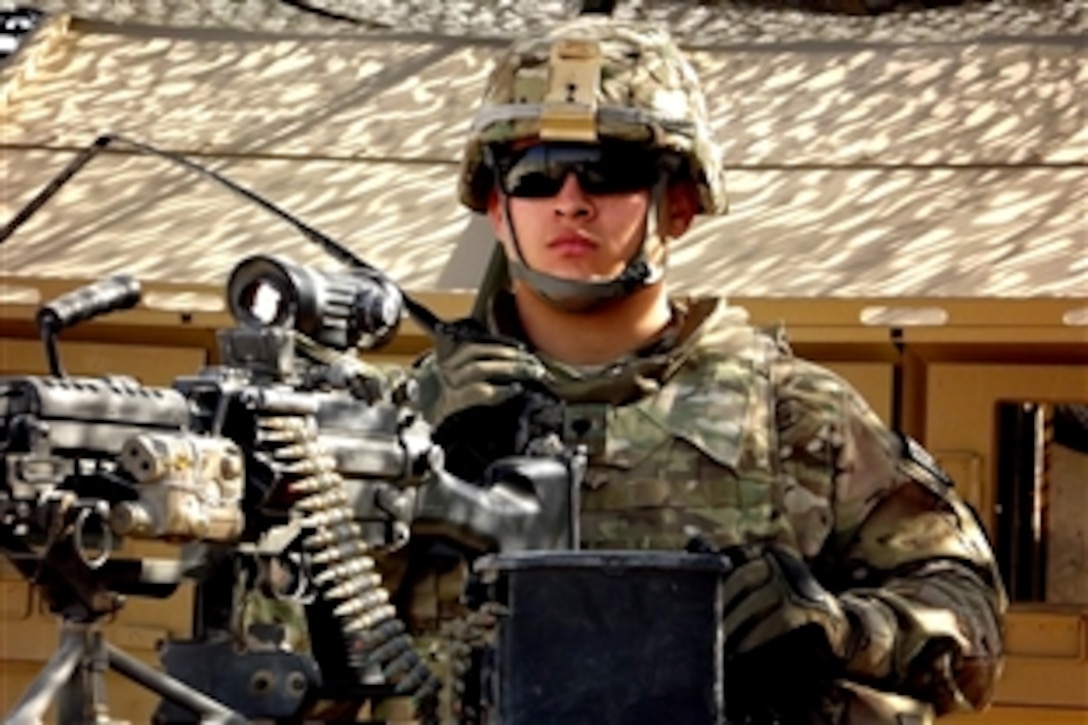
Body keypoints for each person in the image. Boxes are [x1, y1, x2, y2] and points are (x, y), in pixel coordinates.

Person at [398, 14, 1007, 723]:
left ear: (679, 203)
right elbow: (280, 642)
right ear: (498, 208)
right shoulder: (402, 417)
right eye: (535, 176)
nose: (570, 199)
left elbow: (969, 613)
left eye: (609, 171)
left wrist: (838, 629)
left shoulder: (798, 415)